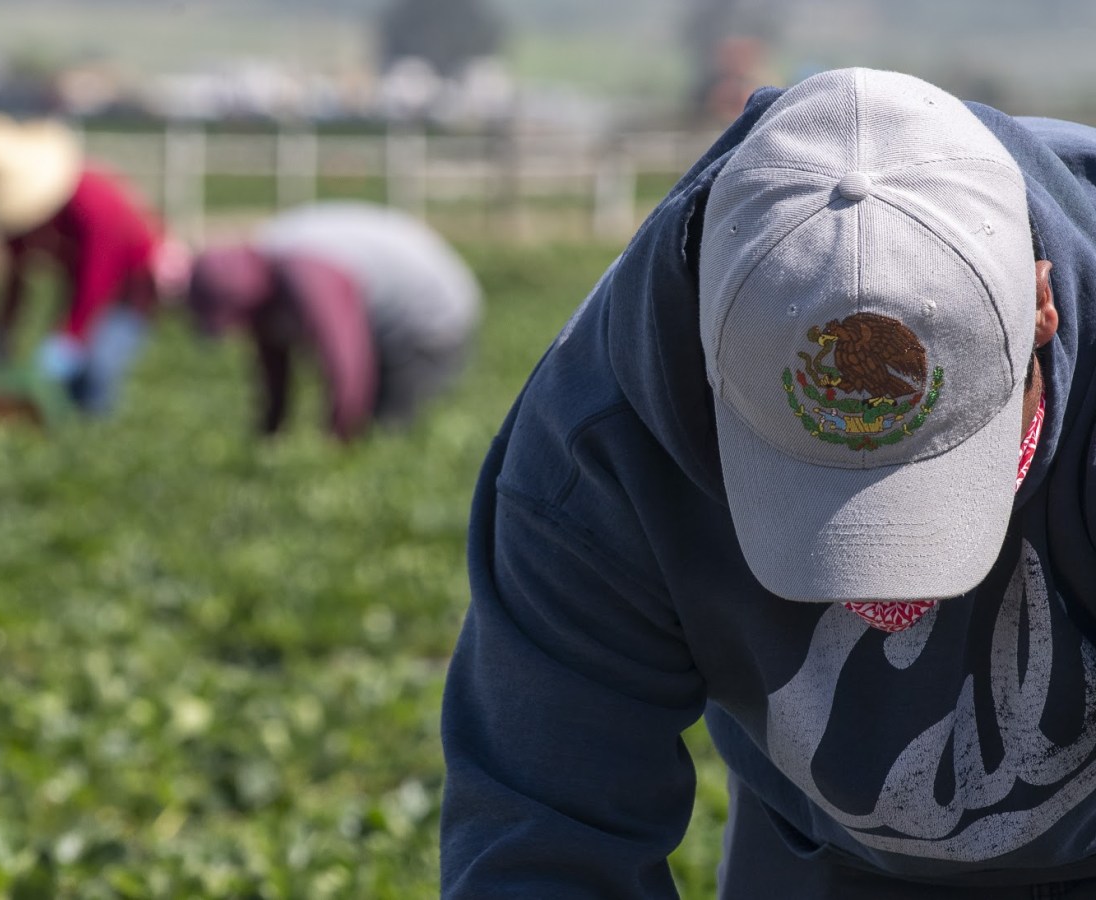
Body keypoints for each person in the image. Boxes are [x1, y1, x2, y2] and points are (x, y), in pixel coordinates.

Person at [439, 67, 1096, 898]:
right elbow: (544, 833)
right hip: (817, 857)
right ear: (707, 347)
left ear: (1042, 305)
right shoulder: (595, 460)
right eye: (814, 486)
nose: (885, 590)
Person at [184, 201, 482, 439]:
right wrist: (270, 432)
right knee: (367, 422)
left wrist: (336, 445)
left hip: (429, 320)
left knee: (385, 428)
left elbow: (346, 361)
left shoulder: (308, 275)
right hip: (380, 315)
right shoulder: (263, 269)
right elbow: (272, 356)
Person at [0, 113, 187, 414]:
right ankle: (68, 426)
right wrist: (2, 329)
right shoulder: (19, 219)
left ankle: (97, 433)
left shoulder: (94, 202)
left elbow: (99, 279)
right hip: (79, 280)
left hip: (135, 283)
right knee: (68, 378)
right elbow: (15, 277)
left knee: (98, 367)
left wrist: (68, 340)